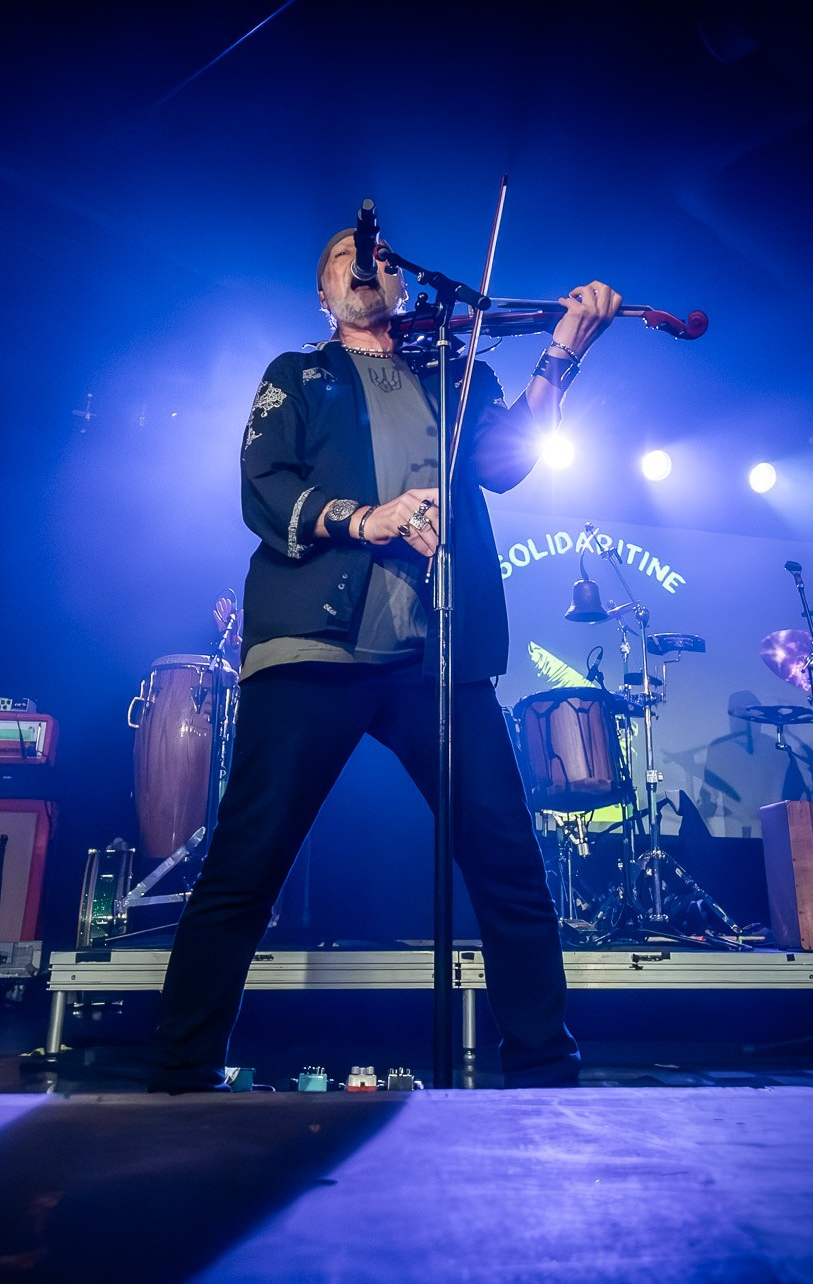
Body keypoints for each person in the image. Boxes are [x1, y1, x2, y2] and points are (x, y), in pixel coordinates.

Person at [149, 225, 622, 1092]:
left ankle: (548, 1073)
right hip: (310, 649)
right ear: (323, 295)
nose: (363, 265)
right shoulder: (297, 376)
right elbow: (265, 486)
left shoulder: (457, 370)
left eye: (379, 257)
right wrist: (363, 517)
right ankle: (178, 1076)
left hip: (436, 656)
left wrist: (562, 353)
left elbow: (508, 462)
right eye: (341, 258)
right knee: (246, 861)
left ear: (404, 285)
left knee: (507, 859)